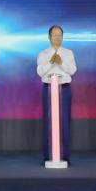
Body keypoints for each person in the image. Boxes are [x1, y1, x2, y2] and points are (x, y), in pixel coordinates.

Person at [36, 25, 76, 165]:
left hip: (64, 89)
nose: (57, 38)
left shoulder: (68, 53)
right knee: (49, 122)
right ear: (49, 37)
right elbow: (40, 72)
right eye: (55, 35)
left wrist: (61, 62)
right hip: (48, 89)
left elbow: (72, 70)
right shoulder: (43, 54)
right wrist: (51, 62)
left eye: (60, 35)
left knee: (64, 122)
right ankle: (48, 156)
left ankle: (65, 156)